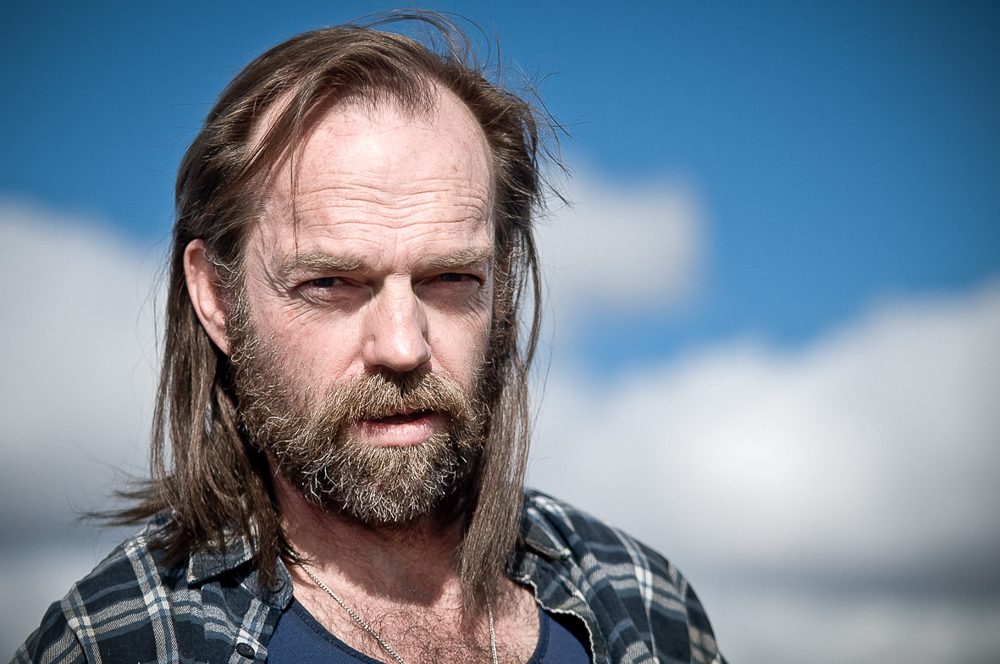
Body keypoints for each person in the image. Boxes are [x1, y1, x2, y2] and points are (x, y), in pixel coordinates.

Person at [14, 14, 726, 664]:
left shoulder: (644, 604)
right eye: (330, 283)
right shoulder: (118, 643)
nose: (403, 346)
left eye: (451, 277)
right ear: (217, 298)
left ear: (502, 282)